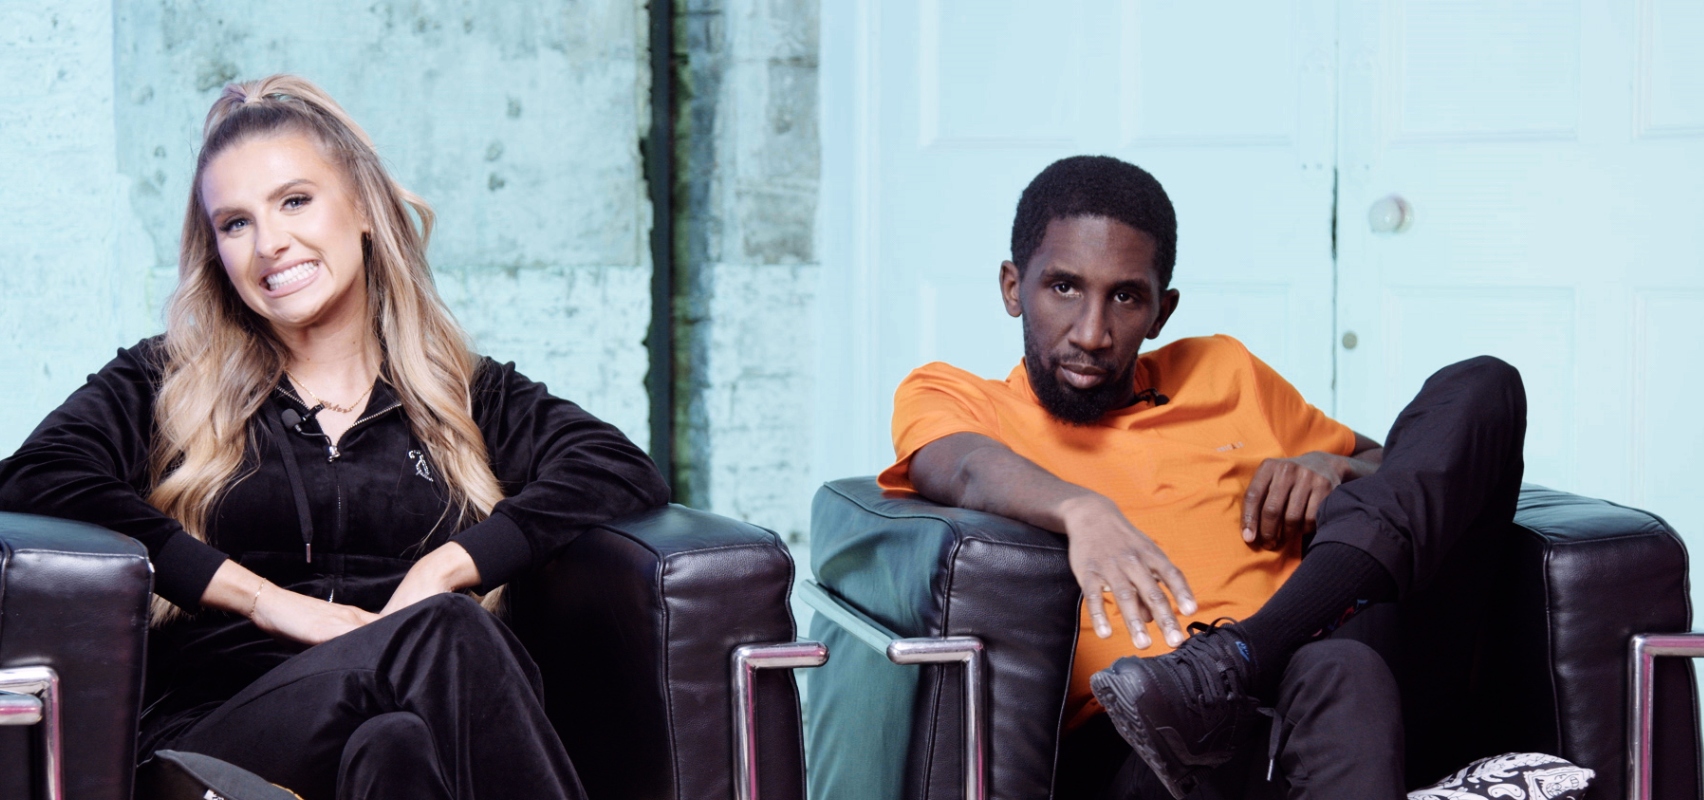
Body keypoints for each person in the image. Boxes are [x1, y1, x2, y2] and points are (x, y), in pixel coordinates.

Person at [0, 75, 669, 800]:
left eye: (294, 201)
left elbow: (617, 469)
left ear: (365, 210)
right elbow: (39, 474)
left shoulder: (466, 394)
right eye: (235, 223)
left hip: (405, 716)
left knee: (397, 743)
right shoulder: (164, 381)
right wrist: (261, 599)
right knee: (445, 635)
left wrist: (443, 569)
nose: (269, 243)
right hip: (216, 743)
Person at [876, 156, 1569, 799]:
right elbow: (960, 466)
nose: (1091, 332)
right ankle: (1229, 667)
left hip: (1342, 686)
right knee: (1339, 670)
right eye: (1064, 288)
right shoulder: (958, 398)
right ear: (1012, 287)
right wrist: (1081, 509)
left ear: (1161, 311)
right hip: (1157, 750)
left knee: (1483, 388)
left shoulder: (1223, 372)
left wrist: (1333, 466)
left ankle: (1239, 654)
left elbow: (1409, 474)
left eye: (1126, 298)